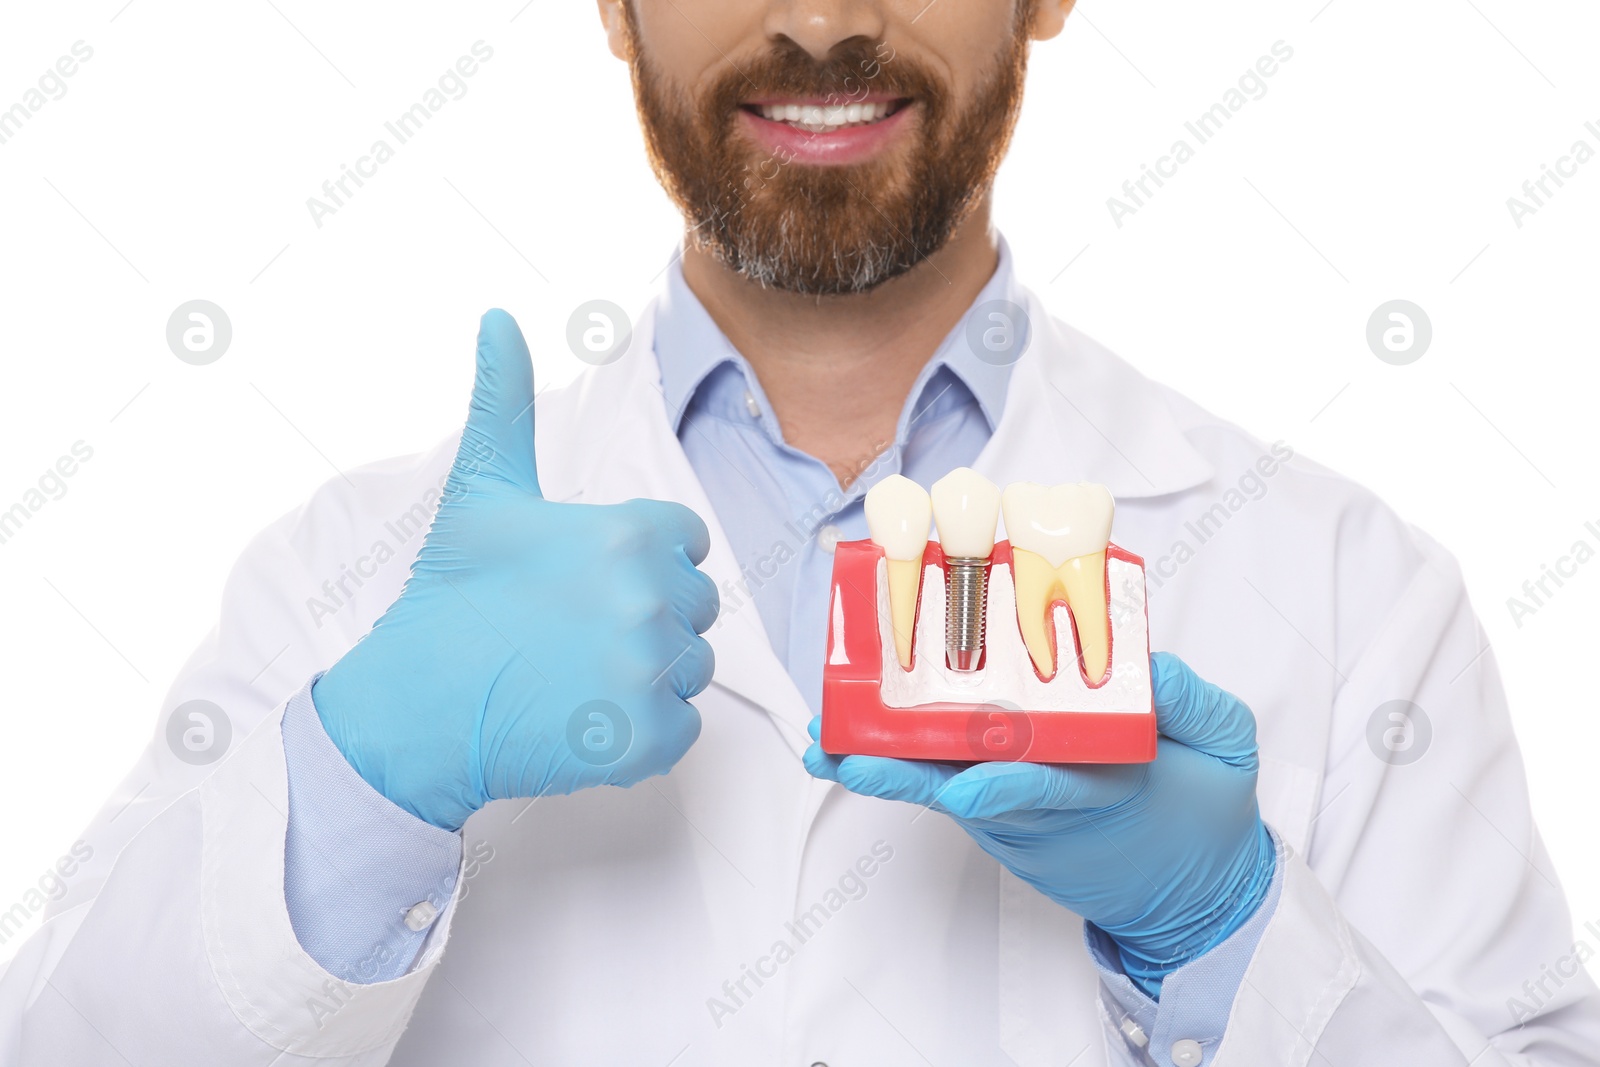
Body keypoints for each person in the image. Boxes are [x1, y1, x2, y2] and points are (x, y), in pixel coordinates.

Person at [3, 1, 1596, 1063]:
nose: (825, 15)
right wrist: (360, 790)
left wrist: (1230, 931)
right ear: (613, 2)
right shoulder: (346, 581)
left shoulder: (1356, 598)